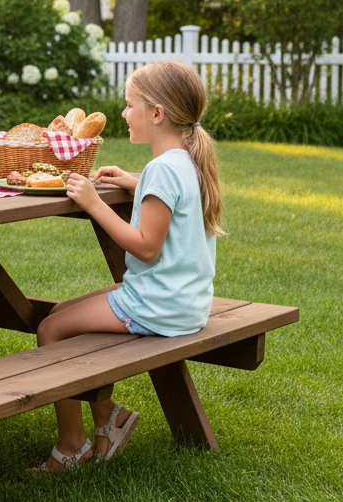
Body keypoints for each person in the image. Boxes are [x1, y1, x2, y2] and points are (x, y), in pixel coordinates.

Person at [32, 60, 224, 472]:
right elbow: (170, 200)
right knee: (60, 314)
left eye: (129, 104)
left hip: (159, 303)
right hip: (185, 300)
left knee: (49, 329)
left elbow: (146, 247)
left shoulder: (162, 169)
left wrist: (94, 202)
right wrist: (130, 181)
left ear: (157, 114)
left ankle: (71, 448)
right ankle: (109, 419)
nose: (123, 113)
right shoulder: (184, 161)